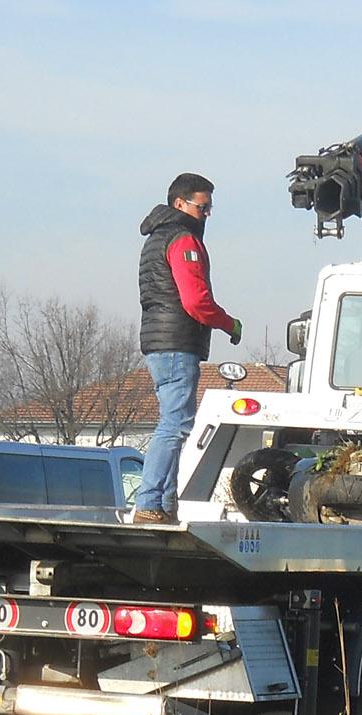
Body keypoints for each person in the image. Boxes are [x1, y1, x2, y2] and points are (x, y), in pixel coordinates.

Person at [133, 172, 242, 525]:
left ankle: (164, 504)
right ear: (180, 204)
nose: (207, 214)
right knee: (175, 425)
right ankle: (149, 502)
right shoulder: (183, 241)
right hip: (178, 342)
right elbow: (196, 301)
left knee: (173, 423)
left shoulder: (156, 239)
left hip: (158, 342)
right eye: (203, 206)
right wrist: (228, 323)